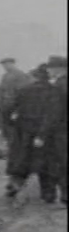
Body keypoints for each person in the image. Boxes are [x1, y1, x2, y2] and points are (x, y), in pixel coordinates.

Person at [4, 66, 61, 203]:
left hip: (23, 130)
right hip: (45, 132)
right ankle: (48, 194)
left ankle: (15, 185)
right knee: (46, 164)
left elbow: (7, 108)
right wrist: (43, 133)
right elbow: (52, 115)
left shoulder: (24, 90)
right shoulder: (54, 91)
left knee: (21, 160)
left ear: (34, 77)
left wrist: (12, 122)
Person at [43, 56, 67, 206]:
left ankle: (65, 195)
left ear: (58, 68)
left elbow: (54, 113)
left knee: (60, 162)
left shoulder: (59, 85)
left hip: (61, 132)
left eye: (50, 68)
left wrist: (43, 133)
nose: (48, 71)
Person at [0, 57, 32, 146]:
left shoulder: (20, 75)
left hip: (13, 107)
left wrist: (17, 108)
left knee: (14, 130)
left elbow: (22, 93)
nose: (5, 66)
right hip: (5, 107)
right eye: (3, 65)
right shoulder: (5, 76)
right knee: (6, 129)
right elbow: (1, 90)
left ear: (12, 64)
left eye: (7, 64)